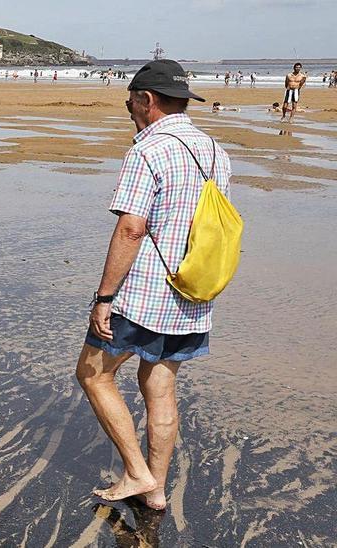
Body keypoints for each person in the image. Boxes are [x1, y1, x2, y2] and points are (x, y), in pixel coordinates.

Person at [77, 59, 231, 512]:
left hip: (146, 295)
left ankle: (137, 473)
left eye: (130, 102)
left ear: (147, 100)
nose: (128, 109)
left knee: (93, 373)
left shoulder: (148, 151)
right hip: (193, 291)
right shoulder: (214, 150)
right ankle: (157, 490)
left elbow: (131, 229)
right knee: (160, 385)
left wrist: (104, 298)